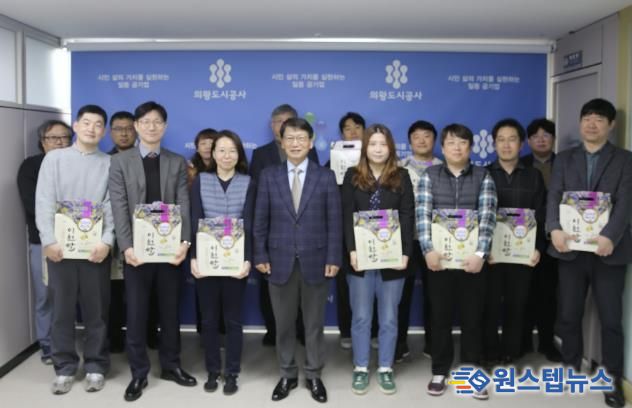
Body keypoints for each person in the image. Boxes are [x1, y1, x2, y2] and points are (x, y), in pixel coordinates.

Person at [546, 98, 632, 408]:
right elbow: (554, 195)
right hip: (570, 249)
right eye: (587, 118)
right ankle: (570, 368)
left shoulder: (625, 160)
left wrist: (610, 236)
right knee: (569, 314)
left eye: (599, 119)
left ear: (611, 125)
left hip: (609, 252)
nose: (592, 124)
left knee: (610, 319)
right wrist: (554, 229)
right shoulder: (564, 158)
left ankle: (612, 380)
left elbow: (626, 202)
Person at [109, 101, 197, 402]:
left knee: (170, 311)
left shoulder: (176, 161)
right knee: (136, 313)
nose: (151, 126)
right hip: (137, 252)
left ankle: (171, 365)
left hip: (170, 251)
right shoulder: (120, 162)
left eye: (157, 121)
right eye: (145, 121)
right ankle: (139, 372)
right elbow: (119, 207)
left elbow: (184, 203)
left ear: (165, 126)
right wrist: (126, 247)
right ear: (136, 126)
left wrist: (185, 243)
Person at [253, 117, 341, 403]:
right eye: (289, 138)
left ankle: (314, 374)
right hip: (278, 261)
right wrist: (260, 254)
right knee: (284, 324)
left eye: (301, 138)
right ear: (282, 142)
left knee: (314, 325)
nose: (295, 143)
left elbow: (334, 222)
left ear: (311, 143)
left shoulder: (325, 177)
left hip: (317, 259)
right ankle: (288, 374)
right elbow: (260, 220)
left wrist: (333, 256)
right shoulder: (269, 176)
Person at [35, 105, 114, 394]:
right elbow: (44, 200)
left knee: (97, 312)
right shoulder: (54, 159)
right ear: (76, 126)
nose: (92, 128)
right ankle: (64, 367)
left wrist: (106, 240)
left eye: (98, 124)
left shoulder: (109, 163)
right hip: (60, 249)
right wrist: (48, 241)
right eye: (87, 122)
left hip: (95, 250)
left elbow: (111, 205)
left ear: (103, 131)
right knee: (62, 311)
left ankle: (96, 365)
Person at [417, 123, 497, 400]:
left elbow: (488, 217)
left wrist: (480, 254)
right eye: (451, 142)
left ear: (470, 148)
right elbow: (422, 215)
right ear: (442, 147)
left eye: (462, 143)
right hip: (439, 261)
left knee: (472, 319)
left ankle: (471, 373)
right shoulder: (430, 175)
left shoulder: (483, 176)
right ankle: (439, 371)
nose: (457, 147)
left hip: (471, 262)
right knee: (439, 318)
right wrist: (428, 250)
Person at [342, 124, 414, 395]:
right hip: (360, 258)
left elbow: (407, 215)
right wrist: (351, 250)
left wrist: (405, 253)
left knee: (389, 318)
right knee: (361, 317)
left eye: (383, 144)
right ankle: (361, 367)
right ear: (365, 148)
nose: (378, 149)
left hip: (392, 258)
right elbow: (346, 215)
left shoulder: (401, 176)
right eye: (373, 144)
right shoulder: (352, 175)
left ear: (390, 148)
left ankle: (385, 367)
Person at [190, 130, 255, 395]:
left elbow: (250, 224)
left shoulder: (248, 182)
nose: (227, 155)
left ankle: (232, 373)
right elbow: (194, 219)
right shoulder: (201, 181)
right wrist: (194, 257)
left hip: (235, 262)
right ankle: (212, 370)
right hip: (206, 261)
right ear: (213, 153)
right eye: (221, 150)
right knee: (208, 320)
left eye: (232, 150)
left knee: (233, 320)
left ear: (239, 154)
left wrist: (248, 259)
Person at [249, 104, 318, 346]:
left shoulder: (310, 152)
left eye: (288, 121)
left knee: (302, 286)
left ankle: (300, 330)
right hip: (273, 233)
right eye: (279, 121)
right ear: (272, 126)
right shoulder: (260, 154)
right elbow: (256, 196)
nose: (283, 125)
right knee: (270, 286)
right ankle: (273, 329)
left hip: (304, 234)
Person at [483, 118, 545, 366]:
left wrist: (538, 248)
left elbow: (541, 214)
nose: (506, 145)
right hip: (490, 255)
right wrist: (482, 250)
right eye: (501, 140)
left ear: (521, 144)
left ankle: (511, 352)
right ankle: (489, 351)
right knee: (489, 305)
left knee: (516, 305)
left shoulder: (534, 176)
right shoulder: (483, 174)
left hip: (522, 253)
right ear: (493, 144)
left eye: (512, 139)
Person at [17, 119, 72, 365]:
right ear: (42, 142)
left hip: (78, 240)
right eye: (53, 138)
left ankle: (67, 343)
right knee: (45, 296)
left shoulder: (77, 163)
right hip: (43, 242)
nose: (60, 142)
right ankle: (47, 344)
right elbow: (33, 206)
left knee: (73, 296)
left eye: (64, 137)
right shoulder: (31, 166)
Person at [396, 120, 442, 362]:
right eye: (416, 136)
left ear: (434, 140)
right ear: (410, 141)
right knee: (400, 295)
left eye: (427, 136)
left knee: (435, 295)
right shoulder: (398, 167)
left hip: (436, 242)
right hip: (405, 240)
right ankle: (399, 344)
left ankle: (434, 343)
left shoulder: (444, 167)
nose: (422, 140)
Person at [520, 118, 562, 362]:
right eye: (536, 136)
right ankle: (524, 341)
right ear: (528, 141)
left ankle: (547, 343)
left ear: (553, 139)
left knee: (549, 294)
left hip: (557, 240)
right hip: (524, 239)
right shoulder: (521, 165)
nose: (541, 140)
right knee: (524, 292)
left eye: (546, 135)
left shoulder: (565, 163)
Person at [331, 112, 366, 351]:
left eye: (357, 128)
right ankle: (346, 330)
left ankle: (372, 331)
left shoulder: (377, 158)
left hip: (372, 231)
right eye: (347, 129)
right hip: (343, 232)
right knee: (345, 285)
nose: (352, 133)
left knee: (373, 285)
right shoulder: (333, 162)